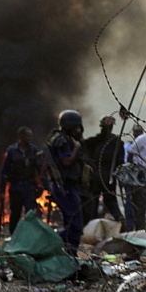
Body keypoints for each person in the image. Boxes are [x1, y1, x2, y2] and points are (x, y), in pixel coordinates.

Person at [44, 110, 86, 256]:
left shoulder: (58, 138)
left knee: (71, 222)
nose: (78, 130)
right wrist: (76, 149)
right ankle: (46, 243)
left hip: (66, 185)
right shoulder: (62, 141)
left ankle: (70, 255)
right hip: (64, 186)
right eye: (76, 127)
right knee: (76, 225)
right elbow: (66, 162)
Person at [0, 127, 43, 235]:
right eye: (27, 136)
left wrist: (43, 186)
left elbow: (40, 169)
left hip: (30, 187)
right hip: (16, 188)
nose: (30, 138)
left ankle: (30, 236)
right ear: (21, 136)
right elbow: (4, 171)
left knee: (30, 213)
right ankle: (13, 235)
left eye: (30, 136)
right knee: (15, 213)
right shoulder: (12, 151)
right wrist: (2, 190)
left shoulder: (34, 150)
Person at [81, 116, 125, 225]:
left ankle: (94, 224)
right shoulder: (116, 142)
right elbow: (120, 163)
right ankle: (119, 219)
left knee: (97, 201)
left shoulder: (99, 141)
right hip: (105, 175)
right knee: (108, 200)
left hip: (100, 175)